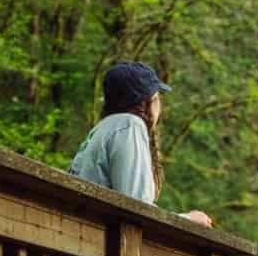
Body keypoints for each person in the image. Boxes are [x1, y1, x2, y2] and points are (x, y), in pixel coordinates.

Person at [69, 60, 212, 226]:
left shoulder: (102, 128)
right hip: (98, 241)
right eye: (158, 98)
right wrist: (187, 220)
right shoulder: (129, 125)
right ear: (147, 102)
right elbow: (136, 208)